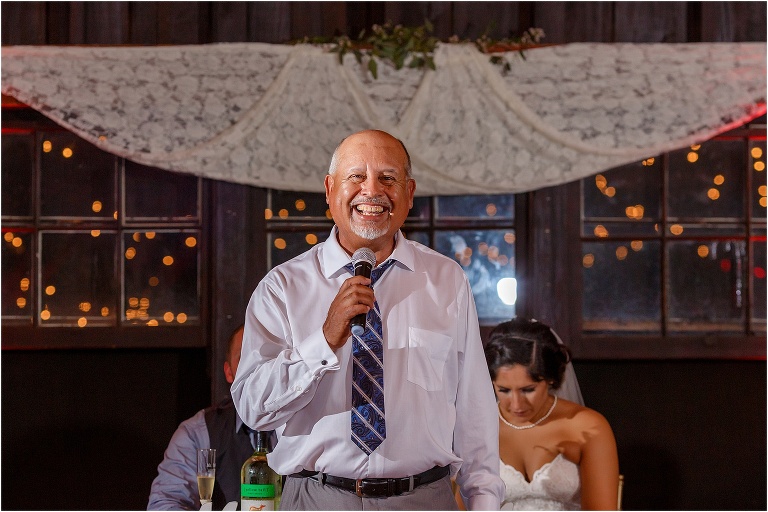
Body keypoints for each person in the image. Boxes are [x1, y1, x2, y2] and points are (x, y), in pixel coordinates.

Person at [231, 129, 504, 510]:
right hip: (317, 498)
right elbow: (253, 408)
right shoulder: (282, 287)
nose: (371, 191)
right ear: (330, 190)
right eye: (356, 177)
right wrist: (323, 340)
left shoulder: (446, 280)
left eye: (388, 179)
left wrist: (484, 502)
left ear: (409, 194)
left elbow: (475, 410)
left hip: (424, 499)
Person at [484, 318, 619, 510]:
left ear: (550, 380)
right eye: (504, 390)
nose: (516, 404)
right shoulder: (481, 427)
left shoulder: (588, 426)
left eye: (528, 390)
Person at [148, 325, 258, 510]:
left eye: (267, 358)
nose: (256, 367)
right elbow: (166, 502)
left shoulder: (308, 426)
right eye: (244, 357)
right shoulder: (198, 432)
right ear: (229, 372)